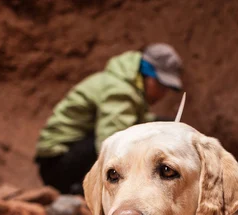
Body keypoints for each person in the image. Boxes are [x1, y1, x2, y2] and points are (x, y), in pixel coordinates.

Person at [34, 43, 183, 195]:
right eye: (160, 85)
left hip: (62, 155)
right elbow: (111, 140)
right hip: (57, 164)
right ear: (147, 74)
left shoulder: (127, 86)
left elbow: (139, 121)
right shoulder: (120, 90)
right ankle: (89, 191)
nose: (162, 94)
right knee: (118, 141)